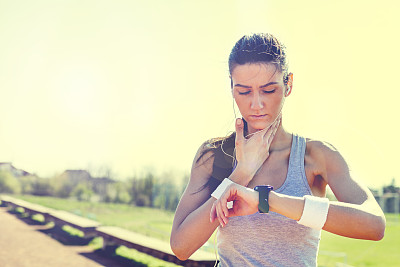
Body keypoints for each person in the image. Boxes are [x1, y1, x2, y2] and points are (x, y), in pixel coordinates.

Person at [170, 33, 385, 266]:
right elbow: (181, 246)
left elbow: (375, 225)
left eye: (269, 90)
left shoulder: (316, 157)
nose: (257, 104)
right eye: (244, 91)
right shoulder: (214, 156)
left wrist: (267, 200)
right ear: (231, 87)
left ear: (288, 84)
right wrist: (240, 175)